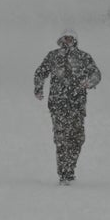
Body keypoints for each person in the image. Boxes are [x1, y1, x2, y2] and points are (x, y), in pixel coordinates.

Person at [33, 30, 101, 185]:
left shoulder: (84, 57)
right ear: (61, 40)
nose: (68, 41)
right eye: (66, 39)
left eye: (71, 39)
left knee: (77, 139)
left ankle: (70, 168)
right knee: (62, 139)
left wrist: (89, 83)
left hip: (77, 105)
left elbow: (96, 74)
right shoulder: (53, 56)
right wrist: (38, 88)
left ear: (75, 40)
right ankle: (64, 174)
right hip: (58, 105)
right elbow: (40, 72)